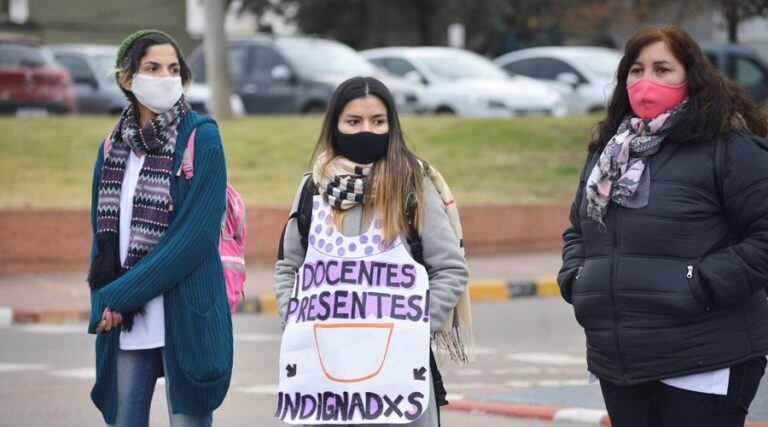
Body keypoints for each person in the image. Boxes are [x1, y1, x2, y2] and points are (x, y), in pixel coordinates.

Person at [558, 25, 768, 426]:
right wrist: (578, 277)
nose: (646, 82)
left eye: (662, 69)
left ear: (691, 76)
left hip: (706, 355)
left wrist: (699, 283)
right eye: (636, 70)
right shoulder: (609, 152)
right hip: (620, 360)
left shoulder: (728, 147)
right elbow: (578, 229)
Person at [274, 76, 472, 426]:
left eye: (378, 122)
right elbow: (289, 265)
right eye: (354, 121)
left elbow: (450, 269)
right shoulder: (312, 188)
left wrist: (416, 326)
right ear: (335, 126)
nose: (367, 130)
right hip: (325, 377)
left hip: (399, 375)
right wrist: (296, 318)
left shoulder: (414, 184)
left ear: (391, 126)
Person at [86, 29, 231, 426]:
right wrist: (101, 294)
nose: (164, 77)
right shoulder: (111, 147)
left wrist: (119, 296)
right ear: (127, 79)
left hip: (185, 312)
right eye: (152, 68)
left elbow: (194, 239)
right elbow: (103, 239)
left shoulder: (203, 138)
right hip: (128, 323)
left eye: (173, 69)